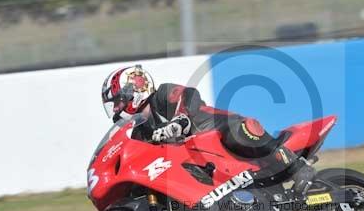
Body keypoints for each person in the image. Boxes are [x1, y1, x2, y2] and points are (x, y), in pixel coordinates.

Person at [101, 65, 314, 192]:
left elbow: (188, 95)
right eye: (115, 106)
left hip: (220, 130)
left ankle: (297, 167)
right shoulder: (140, 132)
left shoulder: (163, 94)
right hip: (203, 163)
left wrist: (180, 121)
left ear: (134, 90)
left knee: (237, 134)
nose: (117, 109)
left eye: (118, 102)